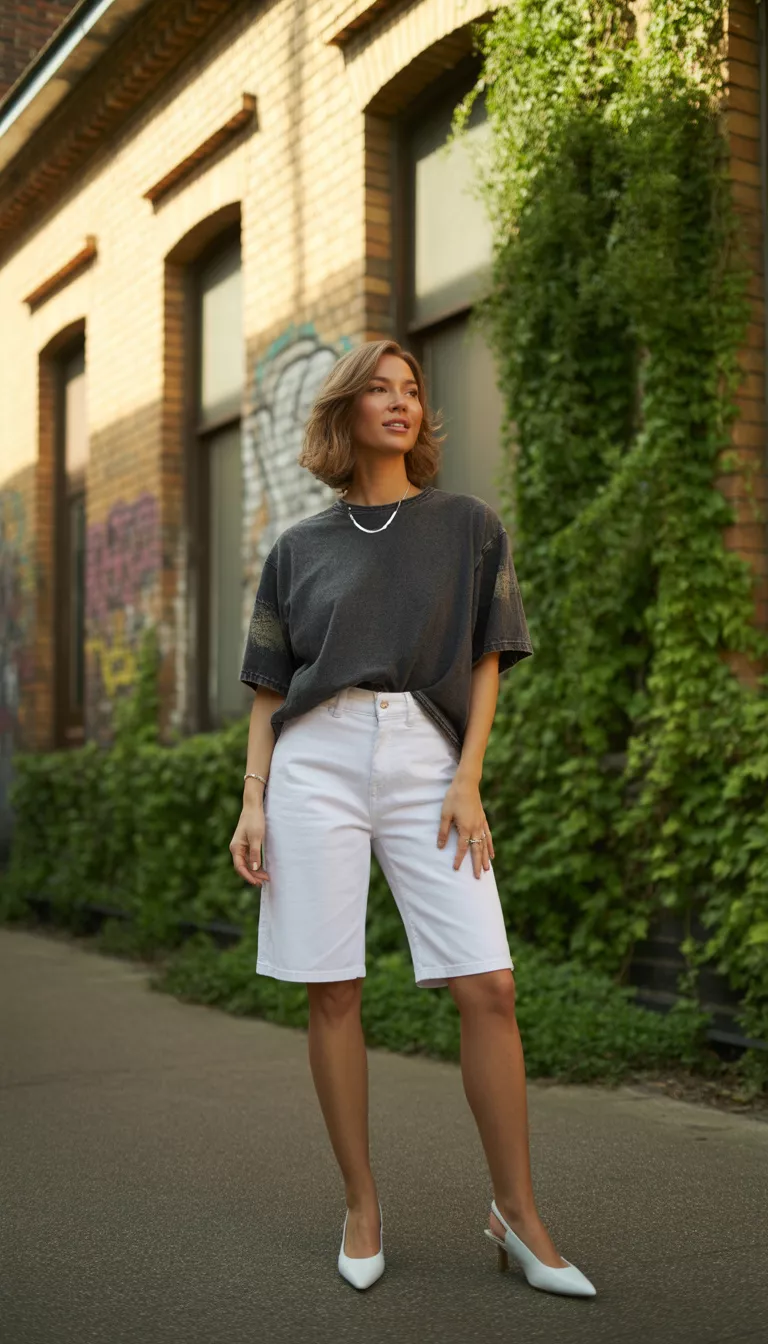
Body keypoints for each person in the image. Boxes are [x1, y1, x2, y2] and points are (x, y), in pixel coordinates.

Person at [229, 339, 596, 1298]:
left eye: (412, 389)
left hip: (429, 759)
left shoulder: (468, 526)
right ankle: (361, 1203)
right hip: (314, 763)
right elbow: (270, 685)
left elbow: (486, 655)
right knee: (332, 987)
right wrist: (253, 797)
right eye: (379, 390)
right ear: (346, 411)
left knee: (490, 985)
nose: (401, 403)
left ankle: (517, 1213)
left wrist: (468, 775)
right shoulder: (297, 547)